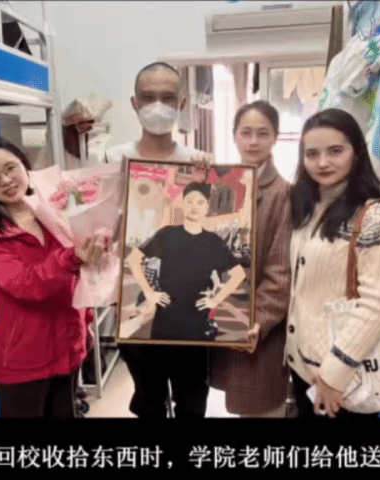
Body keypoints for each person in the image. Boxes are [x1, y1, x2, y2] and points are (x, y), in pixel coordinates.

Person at [0, 137, 105, 418]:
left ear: (25, 165)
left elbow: (77, 280)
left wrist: (86, 322)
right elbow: (27, 284)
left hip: (68, 349)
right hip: (24, 363)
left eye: (10, 168)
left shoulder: (54, 211)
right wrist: (73, 257)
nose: (5, 180)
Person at [104, 61, 213, 418]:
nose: (158, 106)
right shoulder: (113, 159)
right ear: (134, 103)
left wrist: (211, 181)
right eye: (148, 97)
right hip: (135, 298)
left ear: (182, 104)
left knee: (192, 398)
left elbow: (215, 232)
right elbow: (100, 232)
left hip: (188, 304)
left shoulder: (197, 163)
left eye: (168, 98)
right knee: (148, 400)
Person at [285, 108, 380, 419]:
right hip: (304, 368)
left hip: (343, 377)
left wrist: (334, 373)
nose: (322, 163)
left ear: (357, 152)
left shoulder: (375, 215)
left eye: (335, 151)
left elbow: (377, 305)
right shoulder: (307, 207)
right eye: (312, 154)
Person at [210, 100, 293, 418]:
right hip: (220, 315)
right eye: (246, 133)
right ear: (234, 136)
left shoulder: (284, 193)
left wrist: (256, 318)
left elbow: (280, 272)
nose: (254, 142)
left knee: (262, 406)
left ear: (275, 138)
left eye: (263, 133)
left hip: (259, 327)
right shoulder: (220, 186)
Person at [126, 182, 247, 341]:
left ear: (206, 207)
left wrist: (216, 300)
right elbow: (133, 259)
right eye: (189, 201)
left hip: (198, 321)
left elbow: (239, 274)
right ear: (183, 204)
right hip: (165, 320)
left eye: (200, 202)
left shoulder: (213, 242)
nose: (194, 206)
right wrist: (149, 292)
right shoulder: (167, 235)